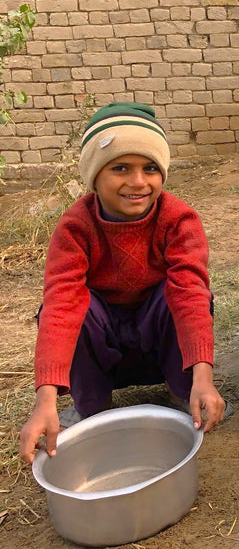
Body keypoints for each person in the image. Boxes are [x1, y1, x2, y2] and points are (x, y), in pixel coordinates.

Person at [18, 102, 228, 464]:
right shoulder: (75, 227)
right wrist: (45, 401)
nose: (138, 182)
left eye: (150, 168)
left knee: (182, 294)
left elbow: (190, 294)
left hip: (159, 346)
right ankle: (92, 410)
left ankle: (188, 393)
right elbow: (60, 305)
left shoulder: (178, 220)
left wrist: (204, 378)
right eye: (120, 168)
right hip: (104, 350)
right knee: (73, 306)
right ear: (94, 177)